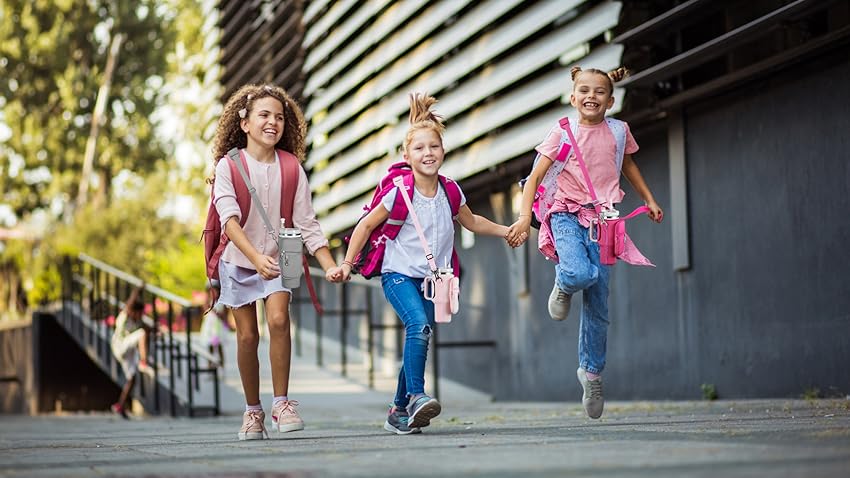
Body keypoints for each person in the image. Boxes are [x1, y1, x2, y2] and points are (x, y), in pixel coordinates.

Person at [327, 93, 522, 435]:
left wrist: (506, 231)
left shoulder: (451, 190)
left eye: (433, 147)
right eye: (419, 148)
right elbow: (366, 225)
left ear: (443, 151)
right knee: (417, 326)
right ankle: (417, 396)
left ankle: (397, 411)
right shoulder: (399, 191)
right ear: (406, 156)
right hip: (398, 275)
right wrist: (346, 264)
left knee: (422, 333)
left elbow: (472, 221)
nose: (427, 153)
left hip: (436, 281)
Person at [507, 66, 664, 420]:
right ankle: (564, 284)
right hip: (563, 213)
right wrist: (521, 218)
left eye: (599, 91)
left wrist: (649, 199)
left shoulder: (619, 132)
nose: (591, 96)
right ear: (573, 97)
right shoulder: (562, 133)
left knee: (599, 305)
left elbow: (627, 165)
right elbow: (533, 177)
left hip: (604, 220)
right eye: (584, 90)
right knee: (579, 274)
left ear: (610, 100)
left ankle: (591, 373)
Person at [211, 83, 338, 440]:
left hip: (285, 250)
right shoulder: (228, 166)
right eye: (264, 115)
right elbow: (229, 221)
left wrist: (329, 264)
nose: (273, 122)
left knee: (279, 320)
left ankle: (282, 403)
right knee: (248, 336)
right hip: (239, 258)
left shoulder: (292, 166)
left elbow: (307, 222)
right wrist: (255, 258)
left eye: (280, 117)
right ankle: (253, 412)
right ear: (245, 123)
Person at [110, 284, 149, 419]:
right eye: (138, 313)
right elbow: (131, 300)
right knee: (141, 333)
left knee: (132, 378)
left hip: (127, 349)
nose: (139, 316)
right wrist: (139, 289)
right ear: (132, 310)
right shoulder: (125, 314)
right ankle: (144, 361)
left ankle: (119, 405)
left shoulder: (135, 320)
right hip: (120, 345)